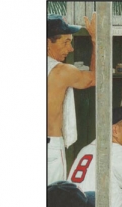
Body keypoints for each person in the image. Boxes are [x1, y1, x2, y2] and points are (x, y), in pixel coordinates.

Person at [48, 13, 96, 184]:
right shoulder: (60, 71)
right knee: (53, 204)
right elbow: (95, 78)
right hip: (50, 147)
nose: (71, 49)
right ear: (47, 43)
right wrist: (95, 39)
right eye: (66, 42)